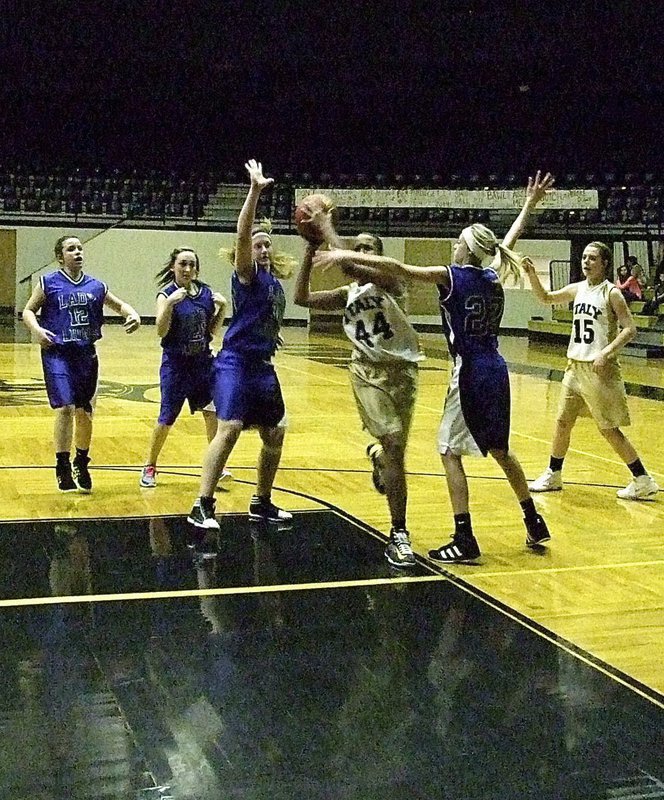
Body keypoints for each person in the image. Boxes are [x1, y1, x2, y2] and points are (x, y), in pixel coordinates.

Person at [313, 172, 555, 563]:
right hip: (497, 368)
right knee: (500, 449)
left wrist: (344, 254)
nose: (454, 246)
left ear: (466, 251)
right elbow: (507, 243)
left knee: (447, 450)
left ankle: (464, 536)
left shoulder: (452, 276)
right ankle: (532, 519)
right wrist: (528, 205)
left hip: (470, 371)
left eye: (458, 242)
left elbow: (400, 268)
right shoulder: (491, 275)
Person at [294, 228, 423, 568]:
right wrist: (310, 251)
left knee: (396, 451)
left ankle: (378, 454)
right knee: (395, 443)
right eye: (358, 247)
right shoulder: (347, 291)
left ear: (379, 255)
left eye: (369, 249)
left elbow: (352, 266)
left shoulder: (393, 282)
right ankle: (399, 533)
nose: (361, 251)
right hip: (366, 371)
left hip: (404, 371)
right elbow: (302, 298)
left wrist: (327, 228)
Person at [187, 160, 297, 530]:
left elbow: (268, 321)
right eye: (256, 245)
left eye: (267, 244)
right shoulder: (246, 276)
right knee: (229, 427)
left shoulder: (276, 287)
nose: (262, 249)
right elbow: (243, 231)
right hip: (234, 363)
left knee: (275, 433)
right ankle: (202, 504)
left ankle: (261, 501)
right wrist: (255, 190)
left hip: (262, 366)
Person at [526, 242, 659, 500]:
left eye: (593, 258)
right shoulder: (578, 289)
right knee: (563, 421)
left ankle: (643, 479)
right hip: (574, 366)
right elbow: (546, 298)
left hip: (599, 370)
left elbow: (630, 329)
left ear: (605, 263)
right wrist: (532, 275)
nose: (586, 262)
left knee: (608, 429)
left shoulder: (611, 293)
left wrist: (606, 352)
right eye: (584, 257)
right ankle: (553, 473)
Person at [22, 235, 141, 492]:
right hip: (57, 352)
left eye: (79, 248)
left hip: (86, 354)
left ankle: (81, 460)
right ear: (60, 257)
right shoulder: (48, 283)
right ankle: (62, 464)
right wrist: (36, 329)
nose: (77, 252)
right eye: (70, 249)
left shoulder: (96, 286)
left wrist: (132, 314)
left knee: (84, 412)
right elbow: (28, 311)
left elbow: (120, 305)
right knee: (65, 407)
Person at [139, 247, 232, 490]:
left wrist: (222, 309)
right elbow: (160, 331)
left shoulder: (206, 294)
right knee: (167, 417)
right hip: (176, 364)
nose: (187, 269)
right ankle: (150, 465)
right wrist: (169, 305)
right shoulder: (166, 294)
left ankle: (216, 465)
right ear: (173, 267)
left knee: (212, 414)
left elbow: (211, 333)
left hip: (202, 363)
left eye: (192, 265)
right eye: (182, 264)